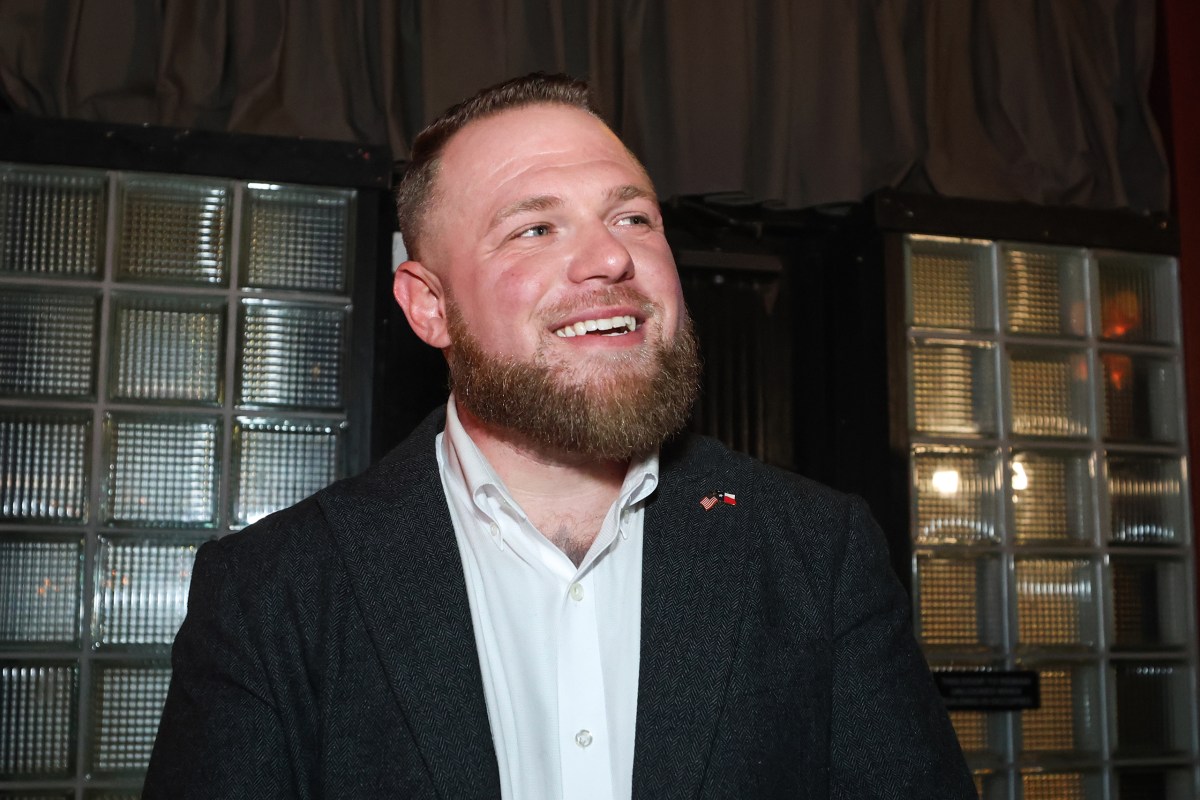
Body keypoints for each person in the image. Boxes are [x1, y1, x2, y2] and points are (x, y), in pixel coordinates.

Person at [144, 72, 975, 799]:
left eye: (635, 219)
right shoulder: (273, 592)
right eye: (535, 229)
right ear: (429, 305)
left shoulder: (817, 554)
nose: (610, 259)